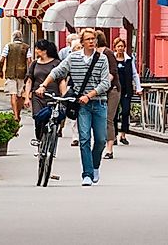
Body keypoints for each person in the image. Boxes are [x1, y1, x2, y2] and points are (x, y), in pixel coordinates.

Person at [35, 28, 112, 187]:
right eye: (88, 39)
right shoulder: (73, 58)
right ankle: (87, 174)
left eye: (93, 39)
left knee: (101, 140)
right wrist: (43, 85)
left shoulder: (102, 59)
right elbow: (57, 72)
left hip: (98, 103)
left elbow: (105, 83)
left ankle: (95, 166)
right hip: (81, 106)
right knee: (84, 138)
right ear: (82, 42)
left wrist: (89, 95)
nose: (91, 42)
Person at [22, 39, 60, 146]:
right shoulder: (34, 64)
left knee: (51, 119)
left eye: (38, 49)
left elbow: (61, 81)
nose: (36, 50)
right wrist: (26, 97)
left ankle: (50, 143)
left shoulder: (56, 63)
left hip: (52, 95)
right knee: (38, 117)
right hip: (37, 96)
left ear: (45, 51)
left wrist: (63, 96)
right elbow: (29, 81)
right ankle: (39, 139)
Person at [109, 37, 141, 148]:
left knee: (126, 111)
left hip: (126, 89)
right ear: (115, 47)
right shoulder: (111, 59)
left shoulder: (129, 60)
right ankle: (114, 135)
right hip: (114, 89)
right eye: (118, 46)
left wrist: (138, 87)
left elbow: (134, 74)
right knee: (114, 113)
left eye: (122, 46)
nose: (120, 48)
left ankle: (123, 134)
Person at [96, 31, 122, 159]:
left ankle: (109, 149)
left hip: (112, 90)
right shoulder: (93, 54)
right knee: (99, 119)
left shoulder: (107, 53)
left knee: (108, 119)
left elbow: (113, 71)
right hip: (97, 91)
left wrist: (104, 84)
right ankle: (100, 144)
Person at [0, 32, 30, 119]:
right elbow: (29, 60)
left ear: (13, 37)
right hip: (22, 74)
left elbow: (2, 59)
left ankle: (15, 115)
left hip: (10, 73)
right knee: (19, 95)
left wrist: (1, 71)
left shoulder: (8, 46)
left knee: (13, 94)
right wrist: (29, 72)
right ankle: (18, 114)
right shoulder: (26, 47)